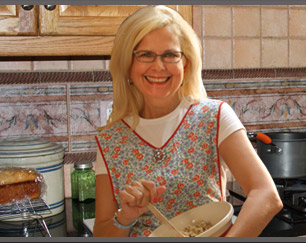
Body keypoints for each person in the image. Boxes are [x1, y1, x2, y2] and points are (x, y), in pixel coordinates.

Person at [92, 5, 282, 237]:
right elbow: (102, 231)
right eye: (145, 54)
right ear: (127, 64)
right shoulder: (110, 139)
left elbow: (266, 195)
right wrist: (126, 217)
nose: (158, 66)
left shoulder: (214, 116)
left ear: (186, 63)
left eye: (171, 55)